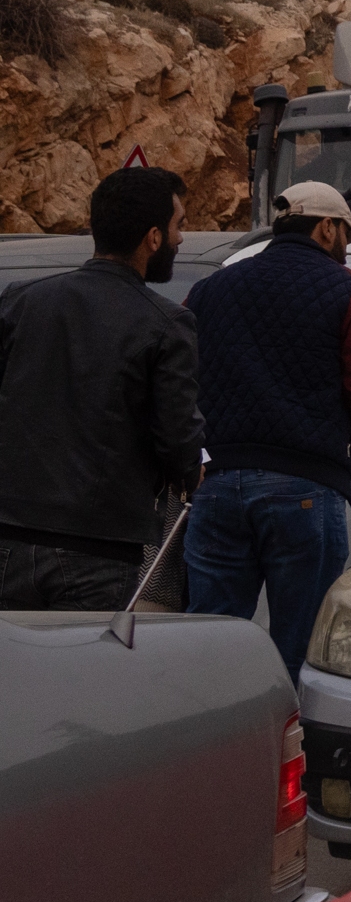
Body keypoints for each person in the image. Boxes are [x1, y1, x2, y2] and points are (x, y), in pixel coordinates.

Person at [184, 183, 351, 672]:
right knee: (304, 648)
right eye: (346, 234)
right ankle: (292, 744)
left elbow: (182, 383)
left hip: (215, 485)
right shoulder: (350, 289)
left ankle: (215, 742)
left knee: (207, 645)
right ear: (326, 227)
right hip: (304, 487)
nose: (348, 248)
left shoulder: (210, 288)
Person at [0, 168, 199, 610]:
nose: (180, 239)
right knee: (84, 676)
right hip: (99, 548)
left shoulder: (20, 300)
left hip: (9, 535)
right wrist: (191, 474)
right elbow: (177, 435)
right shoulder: (167, 324)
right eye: (178, 226)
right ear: (152, 237)